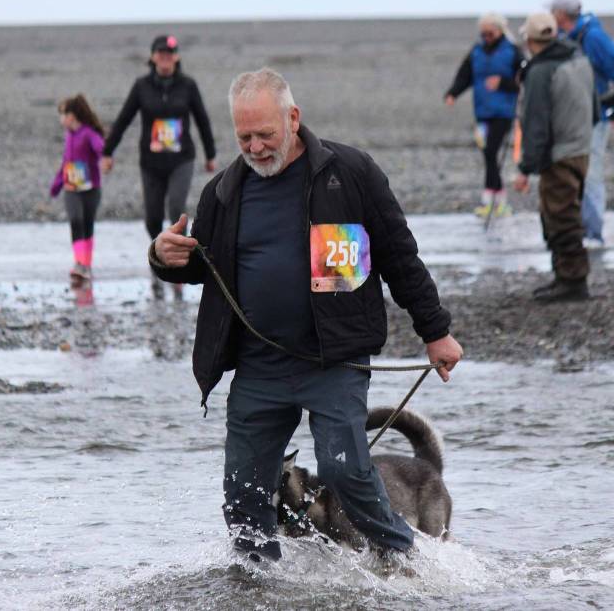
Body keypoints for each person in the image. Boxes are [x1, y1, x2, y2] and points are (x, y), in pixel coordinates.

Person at [148, 68, 463, 561]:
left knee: (344, 473)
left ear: (293, 118)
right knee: (243, 492)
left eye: (265, 134)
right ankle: (258, 583)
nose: (254, 147)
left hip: (333, 360)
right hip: (258, 367)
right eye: (244, 136)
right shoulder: (223, 192)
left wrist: (436, 332)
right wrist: (163, 258)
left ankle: (406, 562)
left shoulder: (351, 173)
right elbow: (199, 267)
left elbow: (400, 257)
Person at [513, 13, 597, 303]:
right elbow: (595, 106)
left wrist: (525, 168)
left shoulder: (540, 71)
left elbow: (536, 124)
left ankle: (573, 280)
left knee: (560, 217)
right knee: (564, 214)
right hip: (580, 148)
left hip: (559, 154)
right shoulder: (578, 59)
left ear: (529, 39)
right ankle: (565, 276)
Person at [102, 34, 216, 239]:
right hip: (151, 162)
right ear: (153, 57)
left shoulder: (188, 85)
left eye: (169, 53)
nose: (165, 57)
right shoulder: (141, 86)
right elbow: (123, 119)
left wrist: (210, 155)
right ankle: (159, 255)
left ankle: (182, 258)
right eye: (161, 53)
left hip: (181, 159)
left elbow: (202, 120)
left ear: (176, 57)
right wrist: (108, 152)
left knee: (175, 209)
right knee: (152, 219)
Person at [549, 0, 614, 248]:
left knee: (592, 173)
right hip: (571, 116)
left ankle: (594, 233)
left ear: (561, 15)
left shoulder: (593, 37)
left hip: (596, 116)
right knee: (571, 171)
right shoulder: (564, 37)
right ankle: (579, 229)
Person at [444, 13, 523, 218]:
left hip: (504, 112)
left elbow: (526, 79)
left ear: (500, 31)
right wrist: (453, 93)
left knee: (491, 152)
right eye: (483, 33)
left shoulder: (513, 51)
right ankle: (491, 201)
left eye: (490, 33)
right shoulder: (476, 51)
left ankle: (497, 201)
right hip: (482, 112)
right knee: (487, 155)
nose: (486, 37)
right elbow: (465, 75)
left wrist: (503, 83)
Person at [50, 94, 107, 281]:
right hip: (71, 189)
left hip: (91, 189)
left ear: (72, 116)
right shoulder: (68, 136)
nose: (61, 119)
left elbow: (101, 148)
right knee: (75, 221)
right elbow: (66, 163)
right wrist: (57, 184)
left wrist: (105, 156)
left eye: (62, 115)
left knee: (87, 225)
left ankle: (86, 266)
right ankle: (79, 263)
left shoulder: (89, 133)